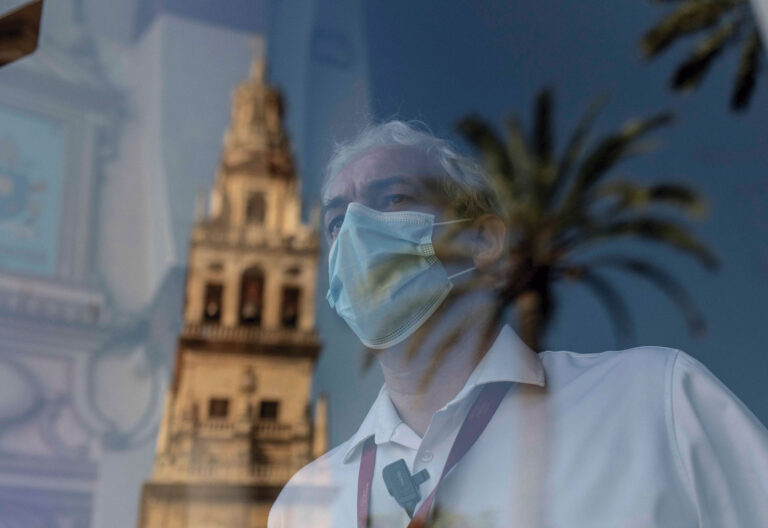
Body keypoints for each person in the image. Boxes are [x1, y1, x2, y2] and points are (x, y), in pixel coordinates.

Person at [268, 120, 768, 527]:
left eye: (393, 199)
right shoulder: (305, 506)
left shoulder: (656, 403)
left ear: (484, 243)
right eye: (337, 223)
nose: (356, 234)